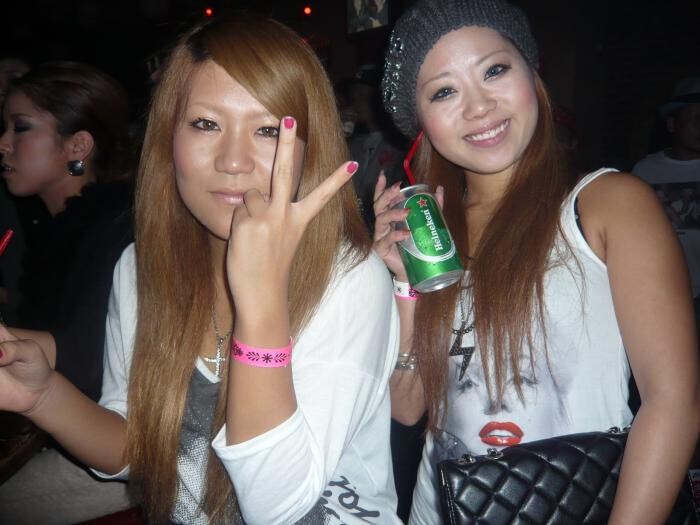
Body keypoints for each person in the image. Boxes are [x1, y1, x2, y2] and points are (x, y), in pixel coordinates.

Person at [0, 13, 401, 525]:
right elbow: (138, 447)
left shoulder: (348, 279)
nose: (233, 161)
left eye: (268, 130)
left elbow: (279, 508)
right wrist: (41, 396)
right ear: (169, 137)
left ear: (310, 150)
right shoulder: (139, 268)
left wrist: (260, 299)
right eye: (206, 124)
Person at [372, 1, 700, 523]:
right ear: (421, 123)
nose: (479, 107)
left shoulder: (608, 204)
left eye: (494, 70)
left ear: (532, 72)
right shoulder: (434, 233)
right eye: (444, 91)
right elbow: (407, 408)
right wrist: (404, 283)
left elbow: (674, 402)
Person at [0, 61, 136, 522]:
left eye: (21, 128)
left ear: (77, 146)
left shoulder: (116, 221)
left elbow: (85, 353)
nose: (3, 143)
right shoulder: (52, 228)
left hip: (113, 446)